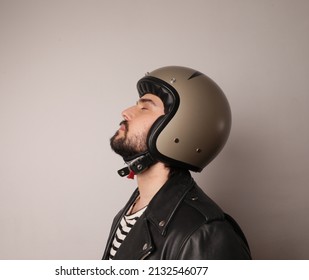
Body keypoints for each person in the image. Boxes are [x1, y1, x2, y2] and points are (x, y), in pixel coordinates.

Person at [102, 66, 251, 260]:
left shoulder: (205, 234)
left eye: (144, 107)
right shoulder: (130, 211)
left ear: (181, 128)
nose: (125, 112)